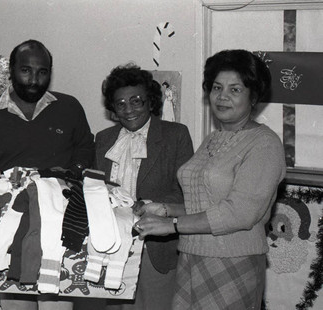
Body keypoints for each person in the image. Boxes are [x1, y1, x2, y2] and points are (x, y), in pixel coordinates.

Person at [134, 49, 286, 309]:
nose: (222, 96)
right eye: (217, 87)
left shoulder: (265, 144)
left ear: (254, 96)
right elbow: (207, 204)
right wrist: (165, 209)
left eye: (235, 90)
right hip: (191, 256)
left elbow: (239, 213)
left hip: (233, 262)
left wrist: (171, 224)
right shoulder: (212, 139)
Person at [0, 39, 95, 310]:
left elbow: (85, 160)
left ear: (50, 71)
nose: (34, 79)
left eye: (42, 71)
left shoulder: (70, 108)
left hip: (59, 227)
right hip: (7, 228)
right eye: (26, 70)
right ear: (11, 70)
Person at [94, 63, 194, 309]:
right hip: (109, 245)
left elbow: (184, 191)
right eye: (120, 103)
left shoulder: (176, 135)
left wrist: (150, 205)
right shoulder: (103, 139)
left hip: (154, 246)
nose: (128, 110)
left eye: (136, 101)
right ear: (113, 108)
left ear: (150, 101)